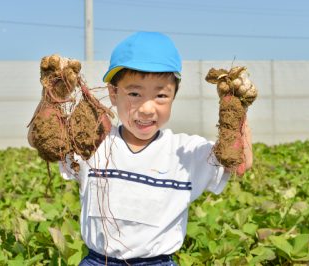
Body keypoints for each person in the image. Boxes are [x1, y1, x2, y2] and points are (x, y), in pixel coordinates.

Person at [36, 31, 253, 265]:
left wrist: (235, 111)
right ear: (113, 93)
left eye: (161, 95)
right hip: (99, 260)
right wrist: (53, 95)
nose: (147, 108)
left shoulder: (185, 152)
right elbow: (46, 143)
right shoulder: (95, 142)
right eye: (134, 94)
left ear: (173, 97)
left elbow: (239, 163)